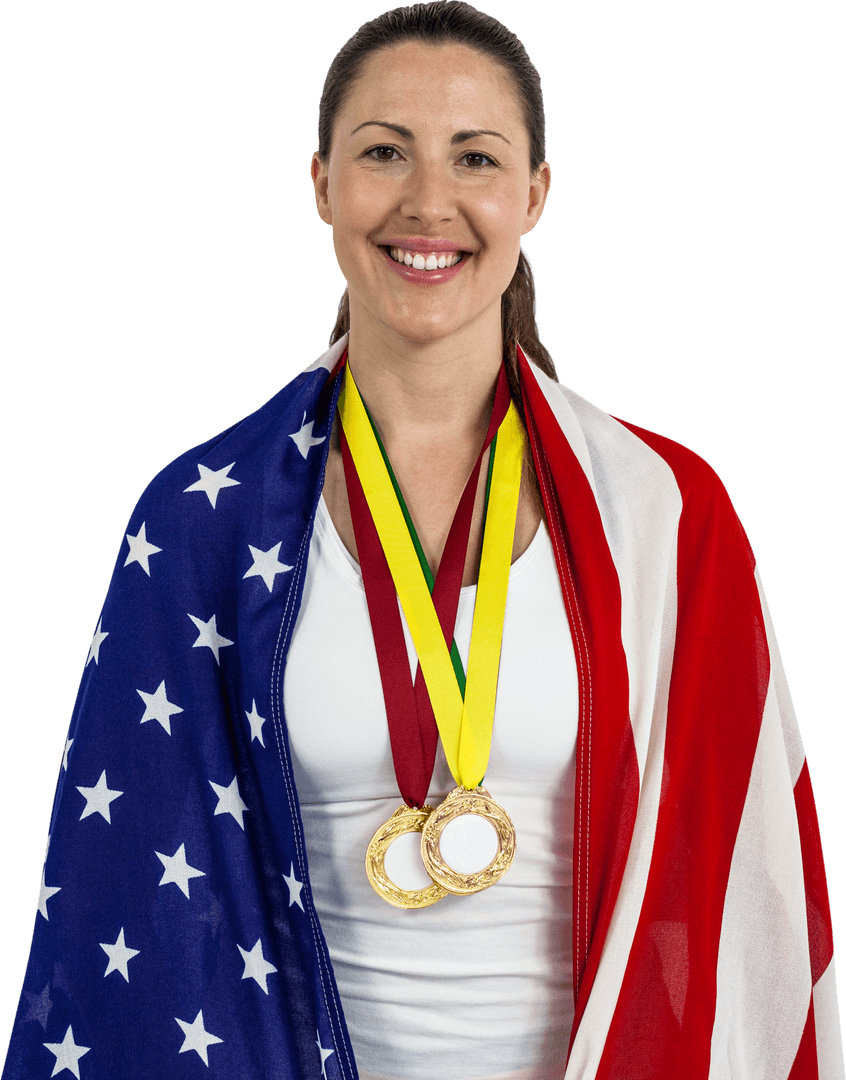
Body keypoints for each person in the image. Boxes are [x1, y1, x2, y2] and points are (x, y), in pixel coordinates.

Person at [2, 2, 842, 1078]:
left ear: (535, 194)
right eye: (384, 152)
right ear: (321, 185)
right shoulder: (197, 518)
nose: (428, 201)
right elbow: (129, 900)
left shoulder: (666, 510)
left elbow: (742, 894)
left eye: (476, 157)